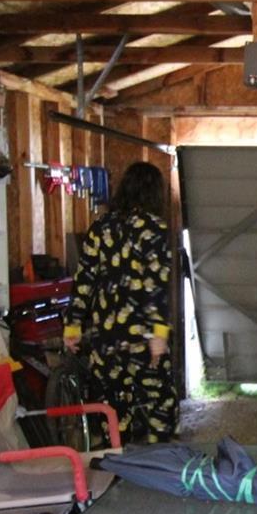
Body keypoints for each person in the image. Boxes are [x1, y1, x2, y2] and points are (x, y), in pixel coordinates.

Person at [63, 161, 178, 444]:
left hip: (106, 341)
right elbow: (155, 288)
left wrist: (72, 327)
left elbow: (84, 280)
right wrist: (159, 335)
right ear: (155, 194)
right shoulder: (156, 229)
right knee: (160, 409)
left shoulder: (100, 227)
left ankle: (117, 468)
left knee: (112, 412)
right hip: (141, 340)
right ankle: (162, 468)